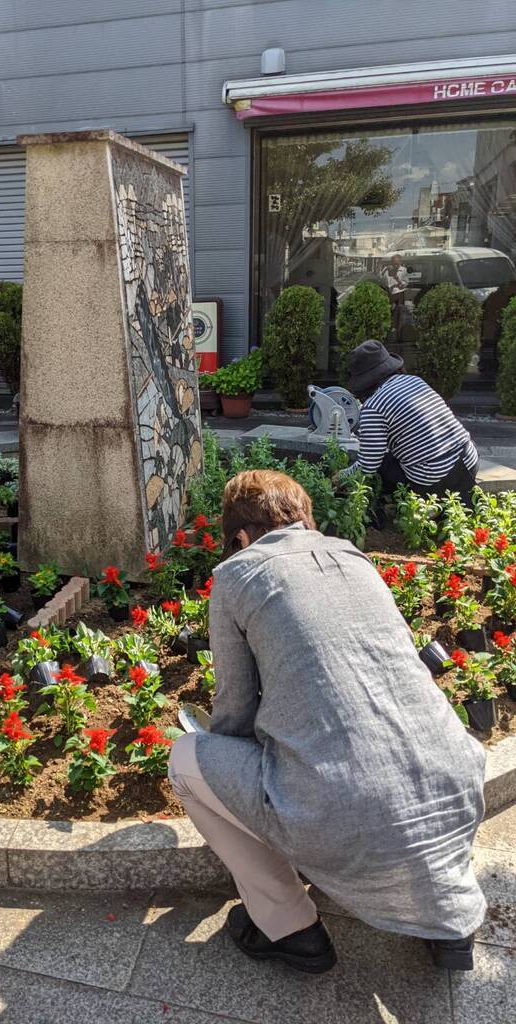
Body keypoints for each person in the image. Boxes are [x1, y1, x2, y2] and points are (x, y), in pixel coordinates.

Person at [169, 469, 486, 975]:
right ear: (305, 519)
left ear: (241, 537)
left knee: (186, 760)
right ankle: (447, 921)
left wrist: (251, 770)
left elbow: (232, 712)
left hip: (345, 804)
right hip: (457, 780)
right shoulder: (353, 556)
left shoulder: (237, 574)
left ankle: (289, 925)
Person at [336, 339, 479, 504]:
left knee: (383, 466)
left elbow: (368, 465)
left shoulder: (373, 406)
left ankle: (403, 507)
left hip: (434, 480)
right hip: (469, 460)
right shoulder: (415, 381)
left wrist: (341, 476)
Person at [380, 254, 409, 339]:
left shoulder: (403, 270)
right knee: (388, 311)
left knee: (398, 311)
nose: (395, 266)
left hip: (399, 293)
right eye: (393, 263)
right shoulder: (386, 271)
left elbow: (405, 284)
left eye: (397, 264)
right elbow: (383, 283)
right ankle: (388, 328)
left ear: (400, 263)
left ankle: (396, 329)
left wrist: (397, 279)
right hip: (389, 294)